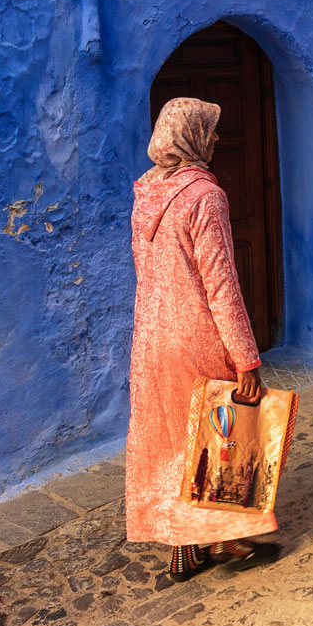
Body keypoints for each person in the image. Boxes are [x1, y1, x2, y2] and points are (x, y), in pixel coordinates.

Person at [127, 97, 278, 578]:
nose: (215, 139)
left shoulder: (147, 192)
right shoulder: (204, 196)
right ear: (190, 136)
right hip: (197, 336)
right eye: (209, 131)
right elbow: (221, 285)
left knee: (172, 443)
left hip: (151, 338)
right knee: (216, 440)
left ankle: (191, 544)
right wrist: (246, 358)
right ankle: (210, 538)